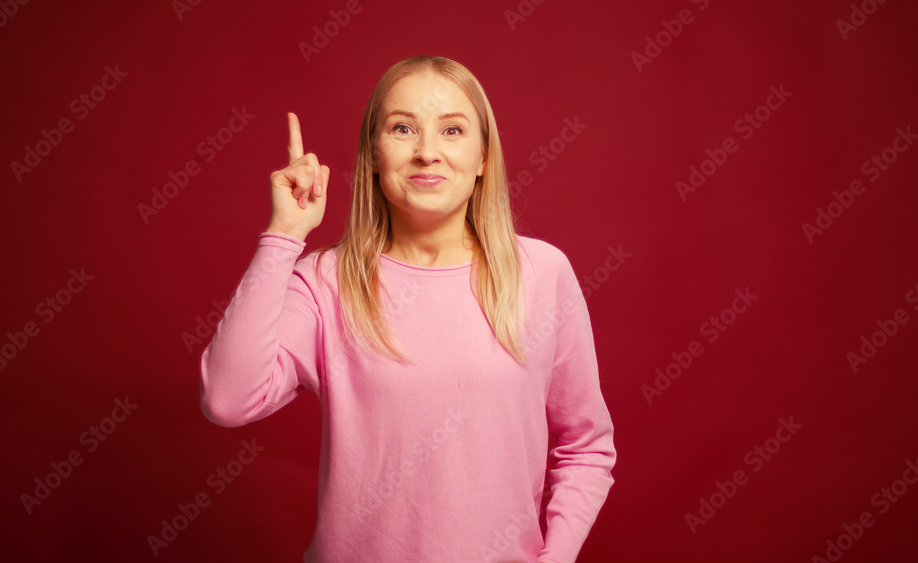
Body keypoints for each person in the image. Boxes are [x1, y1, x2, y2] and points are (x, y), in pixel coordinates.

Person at [200, 55, 615, 563]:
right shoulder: (326, 280)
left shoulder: (543, 273)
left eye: (453, 130)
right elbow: (227, 398)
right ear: (373, 153)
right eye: (402, 128)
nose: (427, 153)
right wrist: (284, 235)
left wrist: (556, 558)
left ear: (484, 156)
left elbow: (586, 448)